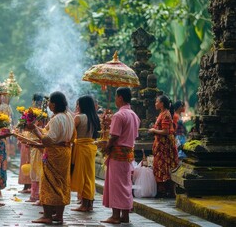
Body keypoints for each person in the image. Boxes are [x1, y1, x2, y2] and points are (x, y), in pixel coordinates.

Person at [29, 91, 75, 224]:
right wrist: (37, 128)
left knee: (49, 182)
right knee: (61, 182)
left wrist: (35, 130)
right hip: (65, 152)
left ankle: (47, 215)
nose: (48, 104)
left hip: (54, 154)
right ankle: (59, 216)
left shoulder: (56, 119)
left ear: (54, 105)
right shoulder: (69, 117)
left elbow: (48, 139)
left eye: (49, 102)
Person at [101, 87, 140, 224]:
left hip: (117, 154)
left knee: (116, 185)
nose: (116, 100)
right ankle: (125, 215)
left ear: (120, 98)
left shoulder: (119, 115)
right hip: (128, 155)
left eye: (117, 97)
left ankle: (116, 216)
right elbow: (134, 136)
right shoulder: (134, 115)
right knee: (125, 184)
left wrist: (106, 147)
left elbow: (114, 136)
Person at [71, 95, 101, 212]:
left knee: (82, 176)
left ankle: (84, 204)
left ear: (82, 105)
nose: (77, 106)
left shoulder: (79, 118)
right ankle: (89, 203)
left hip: (81, 148)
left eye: (78, 104)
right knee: (89, 176)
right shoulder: (95, 118)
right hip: (91, 147)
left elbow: (71, 133)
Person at [148, 95, 178, 198]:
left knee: (164, 166)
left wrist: (153, 130)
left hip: (165, 147)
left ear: (162, 103)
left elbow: (165, 131)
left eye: (157, 102)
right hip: (161, 145)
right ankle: (163, 190)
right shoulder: (162, 113)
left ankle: (165, 190)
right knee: (160, 166)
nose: (155, 104)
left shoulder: (166, 114)